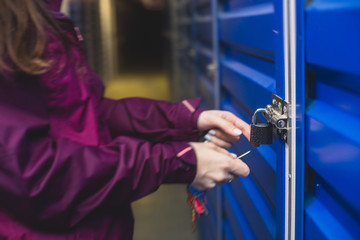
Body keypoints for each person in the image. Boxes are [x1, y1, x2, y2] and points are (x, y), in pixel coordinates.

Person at [0, 0, 251, 239]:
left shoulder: (38, 14)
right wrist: (179, 161)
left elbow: (86, 113)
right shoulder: (11, 24)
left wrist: (188, 119)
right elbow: (36, 176)